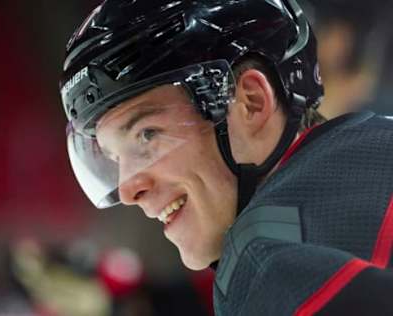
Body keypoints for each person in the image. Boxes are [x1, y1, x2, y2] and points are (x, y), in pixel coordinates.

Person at [59, 0, 393, 314]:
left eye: (148, 134)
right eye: (115, 158)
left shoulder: (262, 262)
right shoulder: (373, 146)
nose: (128, 189)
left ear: (251, 102)